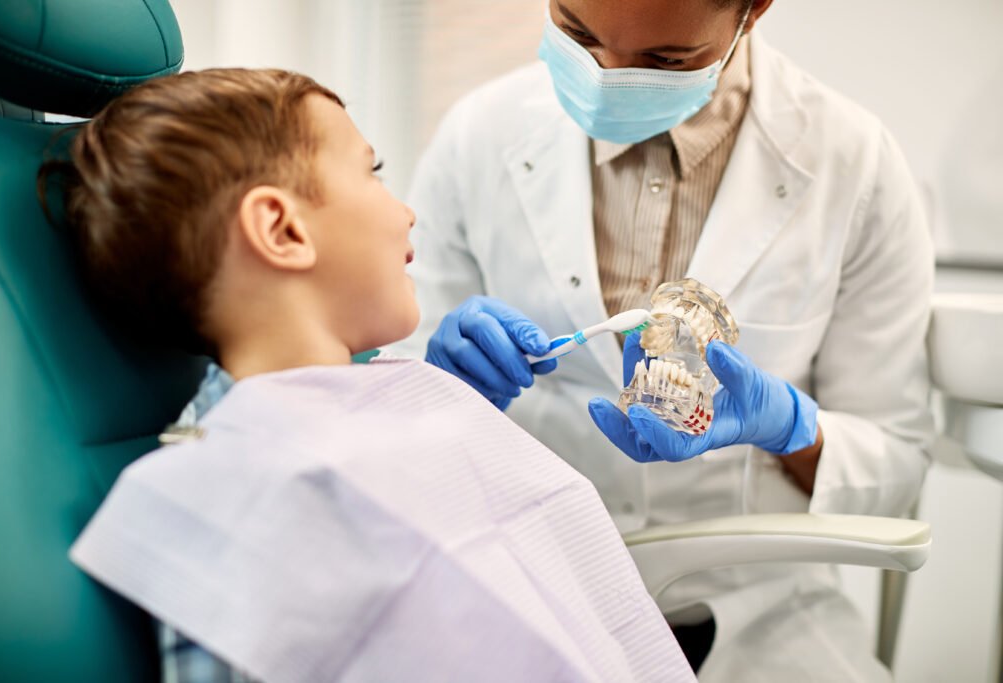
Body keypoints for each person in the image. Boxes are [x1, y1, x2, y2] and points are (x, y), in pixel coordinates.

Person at [47, 69, 694, 682]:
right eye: (373, 172)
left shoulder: (397, 394)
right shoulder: (222, 494)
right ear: (281, 228)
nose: (406, 211)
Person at [392, 0, 934, 679]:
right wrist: (441, 395)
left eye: (665, 61)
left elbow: (896, 460)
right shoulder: (479, 136)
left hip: (758, 621)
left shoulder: (852, 162)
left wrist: (791, 428)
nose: (605, 80)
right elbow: (402, 441)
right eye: (578, 33)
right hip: (524, 600)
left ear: (754, 10)